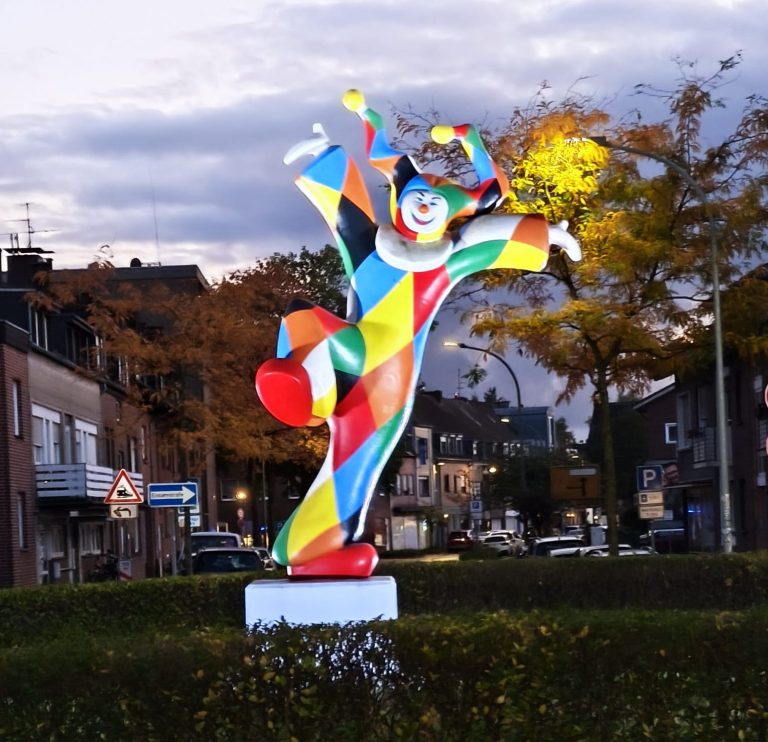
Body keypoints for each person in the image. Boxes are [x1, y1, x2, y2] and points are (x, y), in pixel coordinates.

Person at [256, 90, 581, 577]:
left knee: (355, 465)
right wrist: (327, 151)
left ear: (449, 213)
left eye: (436, 202)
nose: (425, 207)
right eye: (416, 197)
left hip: (388, 382)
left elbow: (491, 239)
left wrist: (552, 234)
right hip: (354, 351)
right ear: (400, 199)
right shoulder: (370, 246)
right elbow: (345, 208)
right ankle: (305, 394)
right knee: (305, 317)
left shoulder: (446, 259)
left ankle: (301, 546)